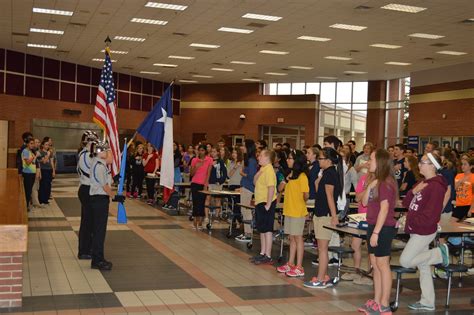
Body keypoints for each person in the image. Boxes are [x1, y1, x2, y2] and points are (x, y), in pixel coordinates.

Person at [399, 153, 450, 312]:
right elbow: (406, 203)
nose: (419, 165)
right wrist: (414, 192)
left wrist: (412, 222)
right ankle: (428, 301)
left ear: (433, 166)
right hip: (416, 229)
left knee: (405, 261)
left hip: (423, 230)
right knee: (423, 266)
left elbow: (432, 215)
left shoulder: (436, 186)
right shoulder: (423, 182)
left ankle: (440, 254)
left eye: (423, 162)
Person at [358, 149, 398, 315]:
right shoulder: (377, 182)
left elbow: (385, 209)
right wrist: (370, 184)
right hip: (373, 225)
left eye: (372, 159)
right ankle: (376, 300)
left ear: (380, 162)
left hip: (383, 228)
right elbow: (365, 202)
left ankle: (384, 304)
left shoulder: (387, 183)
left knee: (383, 265)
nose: (368, 162)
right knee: (375, 264)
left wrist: (376, 233)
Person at [304, 147, 343, 289]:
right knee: (321, 248)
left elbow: (330, 196)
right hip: (320, 213)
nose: (318, 161)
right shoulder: (327, 173)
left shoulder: (330, 174)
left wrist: (333, 216)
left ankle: (321, 279)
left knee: (322, 249)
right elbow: (321, 190)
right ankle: (323, 276)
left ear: (328, 160)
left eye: (320, 158)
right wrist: (317, 181)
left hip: (325, 215)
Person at [89, 141, 122, 270]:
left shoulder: (101, 165)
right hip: (99, 200)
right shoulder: (99, 166)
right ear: (101, 153)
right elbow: (104, 186)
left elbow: (107, 182)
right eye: (108, 152)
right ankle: (97, 260)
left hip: (100, 199)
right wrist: (115, 197)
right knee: (99, 231)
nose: (111, 156)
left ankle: (98, 258)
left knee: (99, 230)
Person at [276, 150, 309, 277]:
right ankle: (290, 263)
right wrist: (284, 180)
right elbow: (280, 189)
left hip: (298, 212)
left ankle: (299, 267)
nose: (288, 160)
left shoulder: (302, 177)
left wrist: (300, 202)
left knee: (298, 237)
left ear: (297, 161)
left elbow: (306, 195)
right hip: (288, 210)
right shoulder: (289, 174)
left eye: (290, 158)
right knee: (291, 237)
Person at [250, 149, 277, 265]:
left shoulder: (269, 170)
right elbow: (255, 182)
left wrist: (269, 204)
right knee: (262, 229)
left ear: (267, 158)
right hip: (260, 201)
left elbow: (271, 188)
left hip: (267, 202)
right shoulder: (263, 169)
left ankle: (268, 255)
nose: (258, 157)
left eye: (260, 156)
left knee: (267, 229)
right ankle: (262, 253)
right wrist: (258, 173)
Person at [77, 131, 98, 260]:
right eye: (91, 141)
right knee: (87, 222)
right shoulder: (84, 155)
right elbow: (90, 173)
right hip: (87, 189)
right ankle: (84, 250)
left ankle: (89, 247)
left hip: (92, 189)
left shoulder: (92, 155)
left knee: (91, 221)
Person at [236, 140, 258, 243]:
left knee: (246, 210)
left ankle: (249, 234)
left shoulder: (252, 161)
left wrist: (242, 173)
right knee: (243, 210)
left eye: (244, 146)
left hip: (249, 188)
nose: (242, 147)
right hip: (245, 187)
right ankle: (246, 232)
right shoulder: (248, 159)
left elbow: (252, 176)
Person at [190, 145, 213, 230]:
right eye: (199, 150)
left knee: (201, 203)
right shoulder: (194, 160)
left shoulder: (209, 160)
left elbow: (208, 174)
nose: (201, 152)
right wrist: (196, 166)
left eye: (202, 150)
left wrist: (205, 185)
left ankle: (200, 221)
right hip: (194, 183)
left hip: (203, 184)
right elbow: (191, 174)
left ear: (205, 151)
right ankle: (195, 220)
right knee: (195, 202)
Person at [206, 147, 227, 221]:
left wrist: (220, 181)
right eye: (212, 151)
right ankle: (206, 216)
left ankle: (217, 216)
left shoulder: (220, 161)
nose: (213, 153)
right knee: (208, 198)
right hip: (210, 182)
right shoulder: (208, 160)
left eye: (214, 151)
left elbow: (224, 174)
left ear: (217, 152)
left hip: (218, 183)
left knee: (217, 199)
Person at [227, 148, 243, 228]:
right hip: (231, 185)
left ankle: (238, 221)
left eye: (235, 153)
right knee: (231, 203)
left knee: (237, 204)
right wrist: (235, 167)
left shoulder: (243, 163)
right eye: (233, 152)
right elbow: (229, 175)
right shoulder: (230, 163)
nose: (234, 154)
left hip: (239, 186)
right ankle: (239, 220)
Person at [21, 137, 38, 211]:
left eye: (33, 143)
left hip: (32, 173)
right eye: (31, 143)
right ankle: (25, 206)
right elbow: (27, 163)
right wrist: (35, 156)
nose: (33, 145)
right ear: (27, 144)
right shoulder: (25, 151)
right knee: (27, 190)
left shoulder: (31, 151)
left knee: (29, 190)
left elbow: (33, 163)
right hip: (27, 173)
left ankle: (27, 205)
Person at [38, 139, 54, 205]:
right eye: (46, 145)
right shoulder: (40, 152)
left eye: (48, 145)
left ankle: (46, 199)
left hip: (49, 169)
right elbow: (44, 161)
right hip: (43, 170)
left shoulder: (50, 152)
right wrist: (48, 154)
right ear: (42, 145)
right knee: (43, 185)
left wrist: (53, 171)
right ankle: (42, 199)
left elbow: (52, 162)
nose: (47, 146)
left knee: (48, 185)